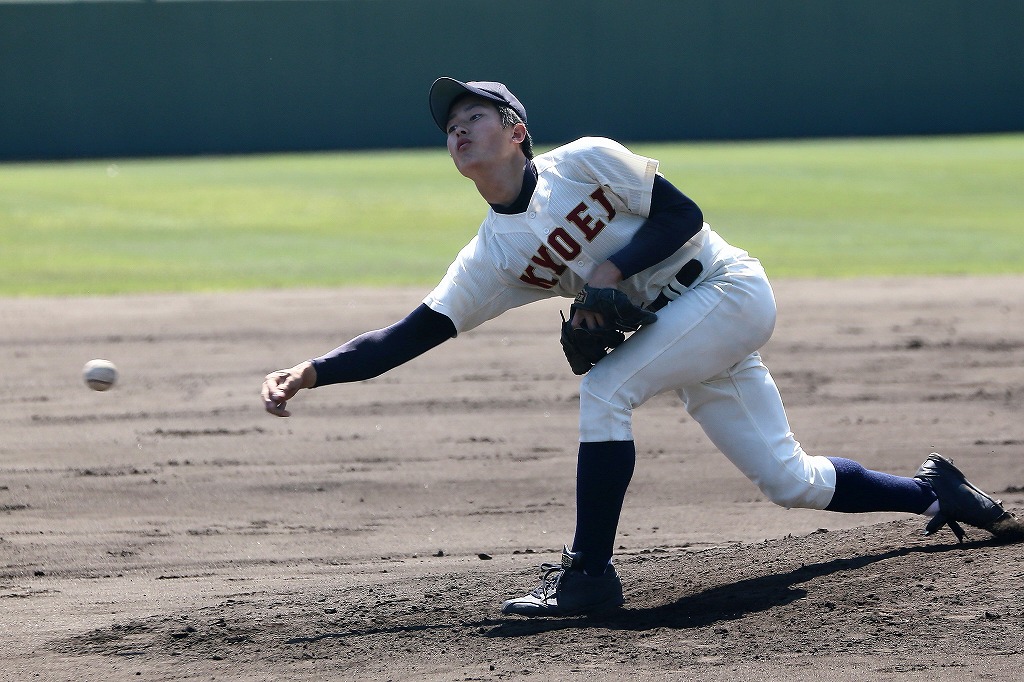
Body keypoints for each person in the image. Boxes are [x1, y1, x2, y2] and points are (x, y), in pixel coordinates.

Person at [262, 77, 1022, 618]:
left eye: (475, 115)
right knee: (791, 481)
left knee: (606, 390)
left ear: (516, 130)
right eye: (449, 125)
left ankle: (587, 576)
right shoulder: (491, 257)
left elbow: (682, 215)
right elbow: (412, 333)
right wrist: (316, 371)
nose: (457, 129)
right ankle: (939, 492)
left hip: (725, 288)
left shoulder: (587, 159)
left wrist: (605, 274)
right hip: (683, 329)